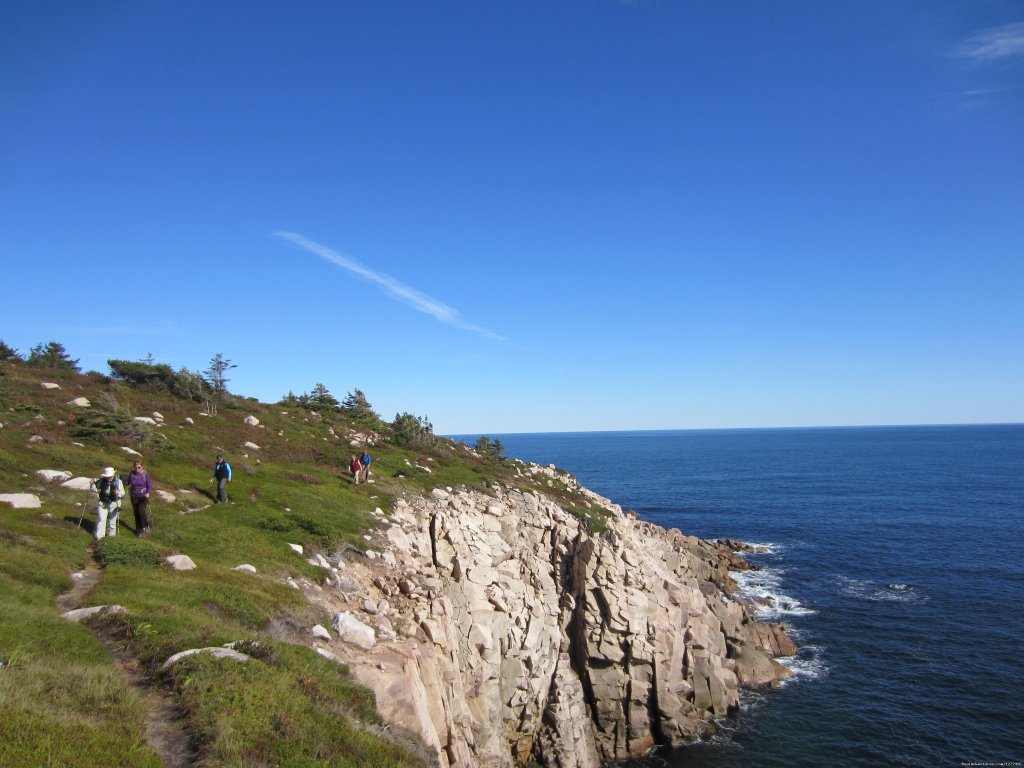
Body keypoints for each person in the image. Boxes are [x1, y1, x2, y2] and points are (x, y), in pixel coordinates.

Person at [92, 466, 124, 540]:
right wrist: (93, 488)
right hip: (102, 503)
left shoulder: (118, 482)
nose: (109, 477)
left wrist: (118, 493)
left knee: (112, 522)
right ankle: (100, 538)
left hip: (114, 504)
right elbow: (93, 490)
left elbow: (123, 493)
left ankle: (111, 539)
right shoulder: (100, 481)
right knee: (102, 520)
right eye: (107, 476)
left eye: (110, 476)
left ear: (113, 474)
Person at [126, 459, 152, 537]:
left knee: (141, 511)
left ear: (142, 467)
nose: (137, 469)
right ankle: (139, 531)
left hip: (143, 496)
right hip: (134, 496)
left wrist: (147, 493)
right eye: (136, 467)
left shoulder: (145, 474)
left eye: (139, 467)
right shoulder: (132, 474)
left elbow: (149, 486)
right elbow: (127, 482)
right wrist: (121, 480)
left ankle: (146, 525)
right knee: (136, 513)